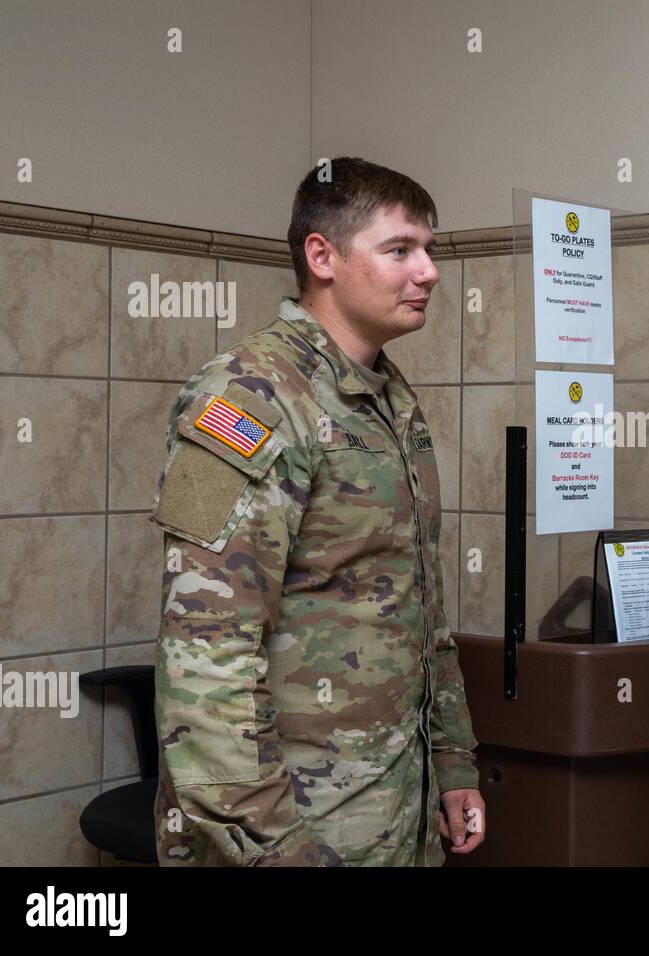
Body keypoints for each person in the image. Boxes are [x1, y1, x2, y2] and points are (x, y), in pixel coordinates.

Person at [151, 156, 484, 866]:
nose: (428, 271)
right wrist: (277, 849)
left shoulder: (391, 402)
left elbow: (423, 608)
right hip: (294, 832)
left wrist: (453, 766)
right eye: (400, 250)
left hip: (394, 818)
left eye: (429, 249)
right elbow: (205, 658)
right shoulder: (247, 398)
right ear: (322, 256)